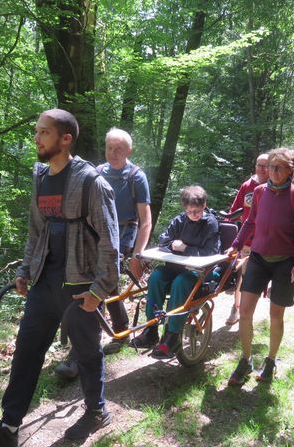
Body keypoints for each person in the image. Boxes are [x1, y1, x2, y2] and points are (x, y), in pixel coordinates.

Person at [0, 109, 119, 446]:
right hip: (44, 282)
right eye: (37, 131)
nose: (36, 138)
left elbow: (111, 242)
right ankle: (8, 427)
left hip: (80, 286)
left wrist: (99, 290)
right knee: (26, 351)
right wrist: (24, 270)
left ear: (66, 139)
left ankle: (97, 411)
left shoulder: (92, 182)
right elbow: (36, 231)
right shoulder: (40, 177)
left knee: (87, 352)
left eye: (44, 132)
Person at [54, 128, 152, 378]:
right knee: (103, 284)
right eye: (110, 147)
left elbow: (145, 220)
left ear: (128, 150)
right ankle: (118, 328)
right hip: (95, 233)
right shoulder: (97, 172)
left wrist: (138, 253)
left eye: (119, 148)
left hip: (123, 233)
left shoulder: (136, 177)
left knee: (102, 281)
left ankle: (80, 353)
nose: (114, 153)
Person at [226, 148, 294, 385]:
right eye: (269, 167)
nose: (271, 172)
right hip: (258, 258)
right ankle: (245, 361)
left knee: (276, 316)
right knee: (244, 312)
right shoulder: (258, 192)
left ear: (290, 170)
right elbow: (250, 222)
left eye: (277, 167)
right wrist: (235, 245)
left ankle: (271, 360)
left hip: (285, 263)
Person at [129, 185, 220, 358]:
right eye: (190, 211)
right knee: (156, 277)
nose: (194, 215)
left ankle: (172, 337)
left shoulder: (210, 223)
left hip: (202, 271)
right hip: (177, 267)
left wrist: (185, 247)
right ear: (185, 208)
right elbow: (164, 240)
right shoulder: (180, 220)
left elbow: (210, 252)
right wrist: (171, 245)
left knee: (180, 282)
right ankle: (151, 329)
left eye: (198, 211)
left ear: (204, 205)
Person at [224, 153, 269, 325]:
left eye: (266, 165)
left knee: (257, 278)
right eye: (259, 165)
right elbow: (235, 210)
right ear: (255, 166)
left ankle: (248, 309)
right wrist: (225, 226)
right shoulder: (247, 186)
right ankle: (236, 308)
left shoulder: (274, 187)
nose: (262, 169)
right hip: (247, 241)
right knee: (242, 275)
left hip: (266, 242)